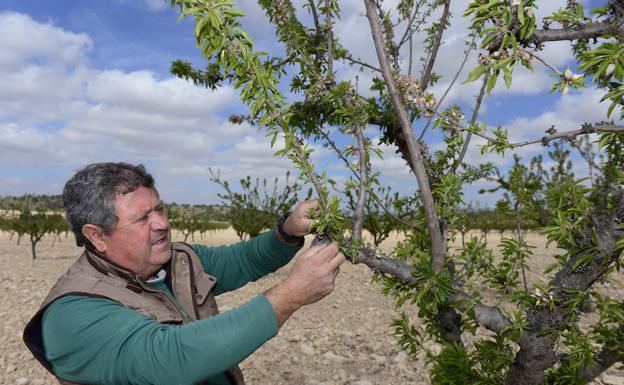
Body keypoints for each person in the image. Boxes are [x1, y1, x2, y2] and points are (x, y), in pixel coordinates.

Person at [23, 162, 345, 385]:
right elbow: (171, 360)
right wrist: (290, 296)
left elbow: (244, 260)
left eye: (159, 209)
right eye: (142, 218)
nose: (162, 224)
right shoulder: (73, 313)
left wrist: (288, 229)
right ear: (96, 236)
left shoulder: (176, 261)